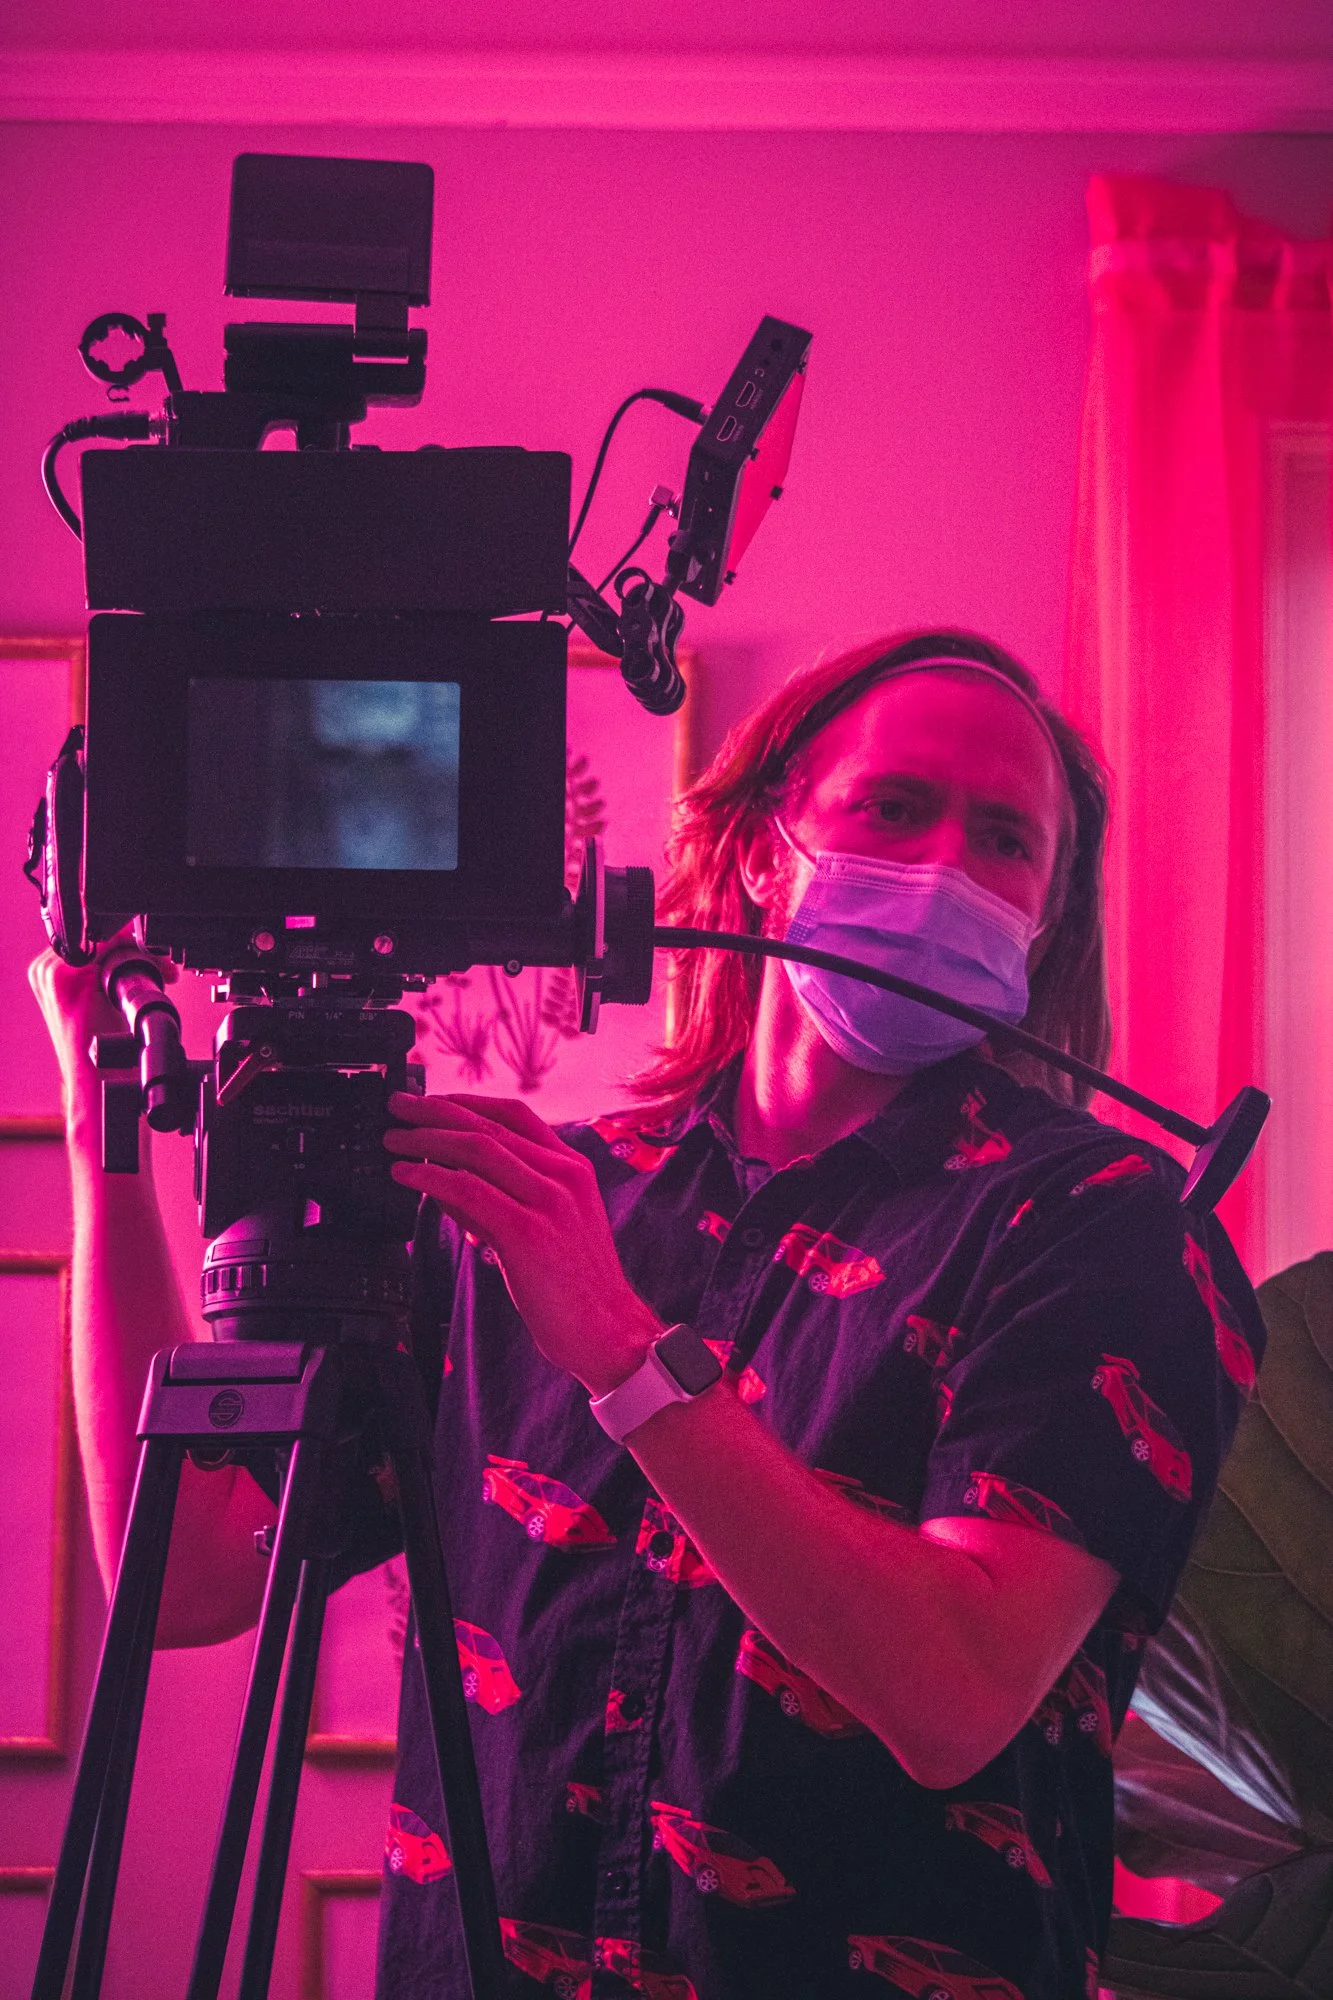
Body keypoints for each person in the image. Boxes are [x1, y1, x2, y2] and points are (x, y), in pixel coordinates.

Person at [31, 629, 1265, 2000]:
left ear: (1047, 916)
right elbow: (195, 1572)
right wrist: (108, 1136)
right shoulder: (552, 1201)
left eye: (1004, 842)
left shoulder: (1105, 1224)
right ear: (757, 846)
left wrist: (622, 1351)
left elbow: (953, 1690)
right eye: (893, 810)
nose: (941, 874)